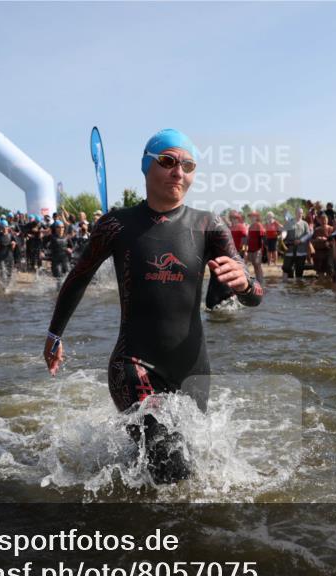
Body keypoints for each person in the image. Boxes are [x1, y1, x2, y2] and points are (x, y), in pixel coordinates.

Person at [43, 129, 263, 485]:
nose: (179, 172)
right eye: (168, 161)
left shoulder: (208, 225)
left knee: (179, 465)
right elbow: (78, 277)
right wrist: (54, 334)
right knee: (172, 464)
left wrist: (246, 283)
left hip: (192, 368)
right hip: (133, 363)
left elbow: (255, 296)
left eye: (188, 165)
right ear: (146, 167)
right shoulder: (115, 225)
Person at [282, 208, 311, 279]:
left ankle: (298, 286)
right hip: (290, 249)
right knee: (287, 269)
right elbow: (285, 231)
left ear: (302, 214)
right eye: (298, 213)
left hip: (301, 250)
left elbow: (308, 234)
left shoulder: (305, 224)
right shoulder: (289, 222)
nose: (299, 214)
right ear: (295, 213)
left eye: (301, 213)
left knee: (299, 271)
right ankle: (289, 286)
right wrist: (282, 236)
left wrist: (300, 240)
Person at [45, 220, 73, 284]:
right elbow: (43, 244)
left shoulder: (67, 237)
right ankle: (58, 292)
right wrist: (42, 252)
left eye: (62, 227)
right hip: (56, 260)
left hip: (65, 260)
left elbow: (71, 247)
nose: (61, 229)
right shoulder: (51, 236)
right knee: (58, 277)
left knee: (68, 276)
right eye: (59, 227)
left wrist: (70, 249)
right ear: (56, 228)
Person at [0, 220, 17, 288]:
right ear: (1, 227)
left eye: (5, 227)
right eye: (3, 227)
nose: (4, 228)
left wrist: (14, 244)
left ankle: (7, 286)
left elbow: (16, 244)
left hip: (9, 256)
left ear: (8, 227)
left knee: (9, 273)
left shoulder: (11, 235)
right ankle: (3, 286)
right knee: (2, 272)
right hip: (1, 256)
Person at [311, 213, 333, 278]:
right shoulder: (316, 230)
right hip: (318, 252)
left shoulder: (331, 229)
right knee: (320, 271)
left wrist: (326, 239)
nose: (324, 221)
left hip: (328, 252)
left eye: (325, 220)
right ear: (320, 221)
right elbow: (312, 240)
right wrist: (317, 240)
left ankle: (328, 285)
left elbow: (334, 240)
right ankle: (321, 285)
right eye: (322, 220)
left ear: (327, 220)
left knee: (329, 270)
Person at [246, 212, 265, 282]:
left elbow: (262, 237)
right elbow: (249, 238)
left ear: (257, 217)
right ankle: (258, 280)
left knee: (257, 264)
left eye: (253, 216)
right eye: (250, 216)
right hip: (251, 248)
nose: (251, 217)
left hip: (258, 248)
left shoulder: (259, 225)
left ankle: (261, 281)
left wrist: (261, 249)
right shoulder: (250, 226)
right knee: (254, 264)